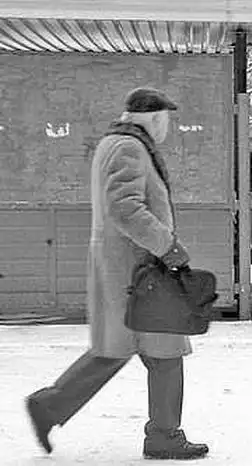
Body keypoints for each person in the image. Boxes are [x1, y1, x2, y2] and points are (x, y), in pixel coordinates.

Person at [24, 87, 209, 460]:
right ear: (155, 118)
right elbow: (125, 209)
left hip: (126, 270)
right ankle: (164, 436)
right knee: (165, 352)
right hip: (139, 273)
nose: (168, 127)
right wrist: (167, 246)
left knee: (115, 351)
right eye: (167, 119)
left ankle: (50, 406)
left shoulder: (115, 143)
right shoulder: (129, 148)